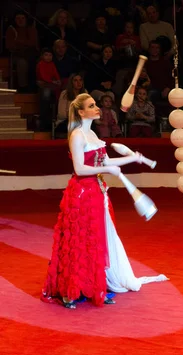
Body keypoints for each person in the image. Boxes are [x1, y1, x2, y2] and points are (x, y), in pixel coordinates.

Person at [41, 93, 167, 309]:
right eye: (92, 105)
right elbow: (79, 169)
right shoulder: (77, 135)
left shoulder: (93, 135)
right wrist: (107, 169)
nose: (97, 108)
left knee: (98, 240)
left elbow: (106, 160)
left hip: (97, 193)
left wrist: (132, 158)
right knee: (80, 241)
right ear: (81, 112)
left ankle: (94, 286)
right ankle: (72, 290)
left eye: (96, 104)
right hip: (81, 195)